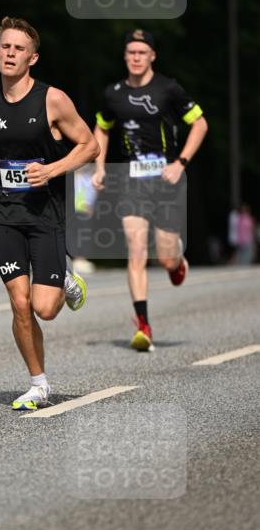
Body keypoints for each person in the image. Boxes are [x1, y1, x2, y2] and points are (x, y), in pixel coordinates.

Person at [0, 15, 99, 411]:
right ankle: (39, 384)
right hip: (5, 211)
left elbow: (90, 146)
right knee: (19, 304)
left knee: (45, 309)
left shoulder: (52, 99)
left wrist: (51, 170)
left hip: (46, 213)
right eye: (5, 46)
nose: (10, 53)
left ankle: (66, 277)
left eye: (19, 48)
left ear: (32, 58)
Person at [92, 29, 208, 350]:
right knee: (136, 248)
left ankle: (176, 261)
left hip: (166, 177)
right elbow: (101, 128)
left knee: (167, 257)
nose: (136, 58)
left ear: (152, 56)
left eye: (142, 52)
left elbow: (200, 124)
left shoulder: (169, 89)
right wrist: (100, 166)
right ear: (125, 56)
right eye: (131, 52)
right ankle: (143, 325)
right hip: (131, 179)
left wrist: (180, 162)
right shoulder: (113, 93)